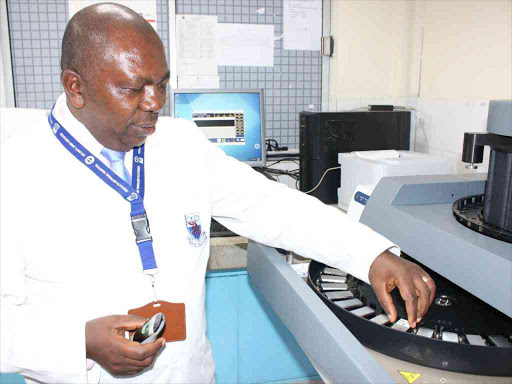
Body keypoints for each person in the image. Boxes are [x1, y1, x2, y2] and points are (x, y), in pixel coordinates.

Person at [0, 3, 436, 383]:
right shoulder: (15, 173)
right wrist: (79, 343)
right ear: (76, 87)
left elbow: (272, 205)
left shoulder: (180, 144)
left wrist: (371, 254)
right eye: (134, 87)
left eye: (162, 83)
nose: (155, 102)